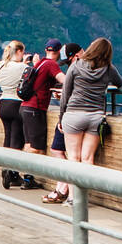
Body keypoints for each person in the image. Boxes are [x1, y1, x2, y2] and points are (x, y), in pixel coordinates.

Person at [55, 38, 122, 202]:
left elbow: (66, 93)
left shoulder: (76, 65)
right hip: (95, 116)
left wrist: (61, 118)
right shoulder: (108, 68)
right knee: (87, 158)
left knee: (73, 158)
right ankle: (83, 198)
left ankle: (72, 197)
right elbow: (119, 83)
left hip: (73, 115)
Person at [18, 38, 68, 189]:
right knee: (36, 147)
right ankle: (27, 178)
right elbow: (65, 80)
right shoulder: (52, 64)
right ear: (59, 52)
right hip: (35, 109)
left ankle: (25, 176)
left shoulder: (39, 63)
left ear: (46, 50)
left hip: (24, 107)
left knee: (28, 144)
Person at [43, 42, 83, 203]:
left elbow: (71, 91)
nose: (68, 65)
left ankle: (65, 190)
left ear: (75, 55)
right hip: (84, 115)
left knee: (60, 150)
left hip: (70, 115)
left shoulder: (76, 69)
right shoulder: (93, 67)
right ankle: (63, 188)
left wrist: (61, 115)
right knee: (66, 153)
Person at [0, 40, 26, 188]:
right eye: (23, 53)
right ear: (19, 52)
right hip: (16, 103)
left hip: (3, 103)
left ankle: (4, 168)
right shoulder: (23, 67)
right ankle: (12, 173)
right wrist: (27, 63)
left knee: (7, 137)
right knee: (16, 140)